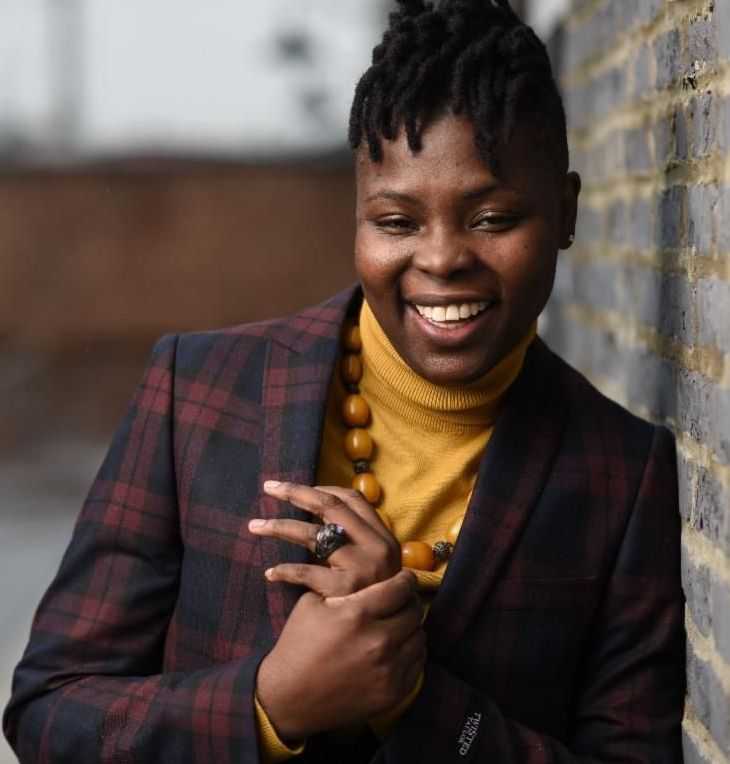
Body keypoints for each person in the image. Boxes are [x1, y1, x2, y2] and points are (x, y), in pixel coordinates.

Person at [4, 0, 685, 761]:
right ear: (358, 217)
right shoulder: (197, 391)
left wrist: (417, 702)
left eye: (492, 219)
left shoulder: (621, 475)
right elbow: (50, 712)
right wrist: (270, 703)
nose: (441, 259)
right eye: (396, 222)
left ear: (565, 211)